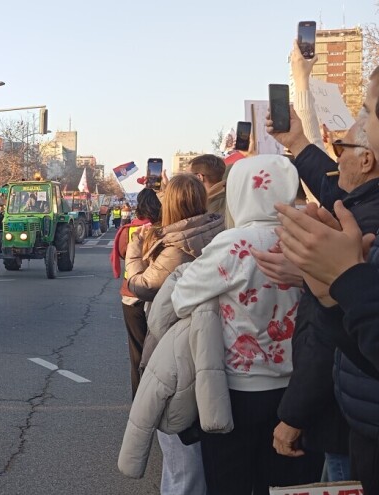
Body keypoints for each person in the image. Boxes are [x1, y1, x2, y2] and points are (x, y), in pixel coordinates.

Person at [170, 155, 324, 493]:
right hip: (301, 394)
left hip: (240, 391)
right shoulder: (312, 239)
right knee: (291, 485)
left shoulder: (234, 243)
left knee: (232, 483)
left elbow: (181, 298)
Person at [125, 174, 225, 494]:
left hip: (177, 348)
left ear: (171, 204)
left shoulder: (177, 246)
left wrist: (135, 250)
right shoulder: (219, 231)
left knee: (178, 451)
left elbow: (141, 285)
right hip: (215, 344)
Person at [275, 200, 379, 494]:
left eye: (339, 150)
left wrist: (350, 281)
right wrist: (333, 298)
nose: (335, 163)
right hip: (359, 432)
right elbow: (365, 353)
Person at [111, 188, 161, 398]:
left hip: (132, 295)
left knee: (137, 351)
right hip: (160, 294)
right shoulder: (165, 229)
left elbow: (122, 253)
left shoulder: (128, 230)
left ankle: (139, 399)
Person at [189, 154, 228, 220]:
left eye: (188, 177)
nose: (186, 181)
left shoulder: (209, 208)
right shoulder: (232, 196)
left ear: (199, 177)